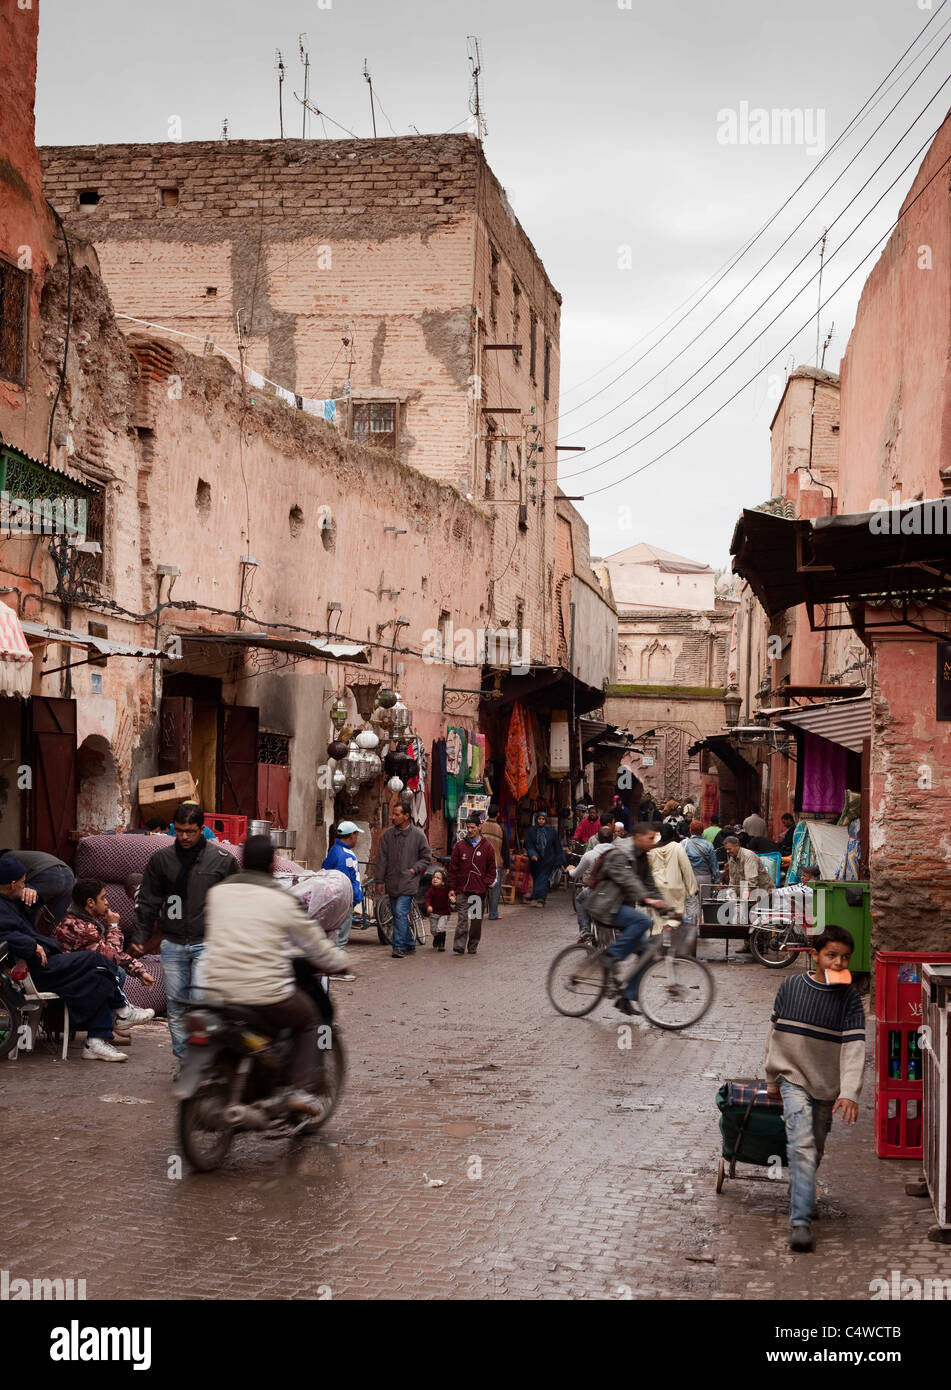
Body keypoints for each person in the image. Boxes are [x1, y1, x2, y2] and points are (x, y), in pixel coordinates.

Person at [200, 834, 350, 1117]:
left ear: (242, 862)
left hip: (215, 989)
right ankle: (300, 1090)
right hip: (266, 993)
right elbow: (315, 946)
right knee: (310, 1021)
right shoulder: (282, 899)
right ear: (273, 866)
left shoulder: (217, 893)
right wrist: (340, 961)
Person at [765, 924, 865, 1252]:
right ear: (815, 956)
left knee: (815, 1148)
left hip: (826, 1088)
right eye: (831, 955)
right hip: (792, 1079)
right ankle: (800, 1223)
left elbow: (853, 1047)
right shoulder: (790, 986)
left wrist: (849, 1092)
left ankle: (802, 1196)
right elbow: (774, 1035)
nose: (838, 963)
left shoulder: (849, 998)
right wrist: (771, 1080)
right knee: (802, 1146)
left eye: (845, 958)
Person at [0, 856, 153, 1062]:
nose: (24, 885)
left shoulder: (12, 900)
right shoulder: (77, 926)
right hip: (40, 969)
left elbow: (30, 905)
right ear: (11, 885)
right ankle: (124, 1011)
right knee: (97, 961)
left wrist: (32, 894)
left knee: (98, 974)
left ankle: (95, 1042)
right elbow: (111, 955)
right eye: (22, 881)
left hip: (50, 964)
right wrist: (32, 945)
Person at [132, 802, 238, 1072]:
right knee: (177, 1007)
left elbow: (237, 903)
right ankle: (186, 1063)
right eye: (179, 831)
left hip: (208, 943)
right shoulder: (161, 861)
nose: (184, 837)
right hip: (173, 944)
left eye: (190, 831)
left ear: (202, 829)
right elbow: (147, 901)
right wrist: (140, 935)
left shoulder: (223, 861)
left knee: (202, 1004)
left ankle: (206, 1060)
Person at [55, 879, 156, 1042]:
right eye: (103, 898)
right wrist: (114, 926)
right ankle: (112, 1024)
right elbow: (112, 956)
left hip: (79, 974)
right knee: (115, 972)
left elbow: (107, 952)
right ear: (90, 902)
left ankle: (112, 1024)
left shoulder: (84, 922)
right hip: (71, 981)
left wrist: (140, 971)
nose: (107, 902)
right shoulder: (80, 927)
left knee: (115, 971)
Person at [583, 824, 670, 1015]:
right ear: (638, 836)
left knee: (648, 953)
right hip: (605, 905)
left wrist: (665, 906)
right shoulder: (620, 852)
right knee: (643, 921)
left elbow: (650, 885)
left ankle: (627, 997)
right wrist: (646, 898)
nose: (653, 843)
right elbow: (625, 878)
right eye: (650, 838)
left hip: (621, 909)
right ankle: (610, 955)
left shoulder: (643, 858)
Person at [375, 800, 432, 959]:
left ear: (406, 816)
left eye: (397, 814)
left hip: (408, 881)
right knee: (397, 913)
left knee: (400, 913)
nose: (393, 817)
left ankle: (398, 946)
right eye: (393, 814)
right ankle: (409, 942)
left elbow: (426, 858)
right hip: (392, 881)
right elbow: (382, 859)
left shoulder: (418, 835)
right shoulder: (388, 835)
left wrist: (413, 869)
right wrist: (379, 880)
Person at [447, 815, 497, 955]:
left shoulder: (487, 847)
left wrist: (485, 884)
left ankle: (473, 944)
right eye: (467, 827)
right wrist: (451, 887)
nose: (469, 830)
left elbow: (492, 870)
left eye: (472, 827)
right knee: (462, 918)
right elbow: (453, 868)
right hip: (462, 889)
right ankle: (459, 945)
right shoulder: (460, 846)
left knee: (475, 921)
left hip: (477, 892)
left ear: (479, 827)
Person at [0, 847, 75, 927]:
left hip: (48, 874)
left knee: (26, 903)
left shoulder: (5, 861)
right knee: (57, 925)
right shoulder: (22, 854)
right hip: (69, 874)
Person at [321, 821, 363, 947]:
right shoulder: (347, 855)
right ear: (351, 836)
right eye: (356, 835)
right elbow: (346, 881)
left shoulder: (334, 850)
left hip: (332, 899)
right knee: (340, 940)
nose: (357, 839)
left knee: (332, 938)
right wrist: (355, 899)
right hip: (344, 901)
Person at [571, 824, 615, 934]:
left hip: (594, 892)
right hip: (614, 893)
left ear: (597, 838)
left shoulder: (589, 855)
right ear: (613, 838)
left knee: (579, 900)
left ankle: (585, 929)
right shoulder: (620, 854)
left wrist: (570, 870)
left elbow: (576, 874)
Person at [647, 823, 698, 918]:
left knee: (658, 918)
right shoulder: (677, 847)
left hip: (657, 888)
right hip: (676, 888)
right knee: (675, 918)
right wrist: (692, 888)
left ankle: (659, 931)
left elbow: (647, 870)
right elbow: (686, 868)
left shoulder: (652, 849)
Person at [524, 810, 564, 909]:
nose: (541, 821)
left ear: (545, 820)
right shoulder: (531, 831)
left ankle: (539, 898)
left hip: (548, 859)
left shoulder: (551, 831)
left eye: (543, 819)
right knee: (538, 878)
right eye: (539, 819)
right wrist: (532, 854)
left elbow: (557, 846)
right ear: (536, 819)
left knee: (543, 877)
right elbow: (528, 845)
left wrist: (560, 859)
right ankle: (540, 898)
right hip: (536, 860)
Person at [480, 805, 510, 921]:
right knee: (496, 888)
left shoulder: (481, 827)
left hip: (481, 862)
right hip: (496, 862)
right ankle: (493, 914)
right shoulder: (501, 829)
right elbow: (505, 849)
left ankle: (479, 913)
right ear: (498, 814)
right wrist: (507, 865)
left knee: (481, 887)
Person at [425, 869, 452, 951]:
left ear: (443, 882)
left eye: (438, 878)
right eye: (434, 877)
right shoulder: (431, 891)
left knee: (440, 928)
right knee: (433, 930)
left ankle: (441, 944)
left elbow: (451, 896)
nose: (435, 879)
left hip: (444, 913)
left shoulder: (446, 890)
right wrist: (428, 906)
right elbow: (427, 899)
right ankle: (436, 938)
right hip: (434, 913)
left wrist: (452, 899)